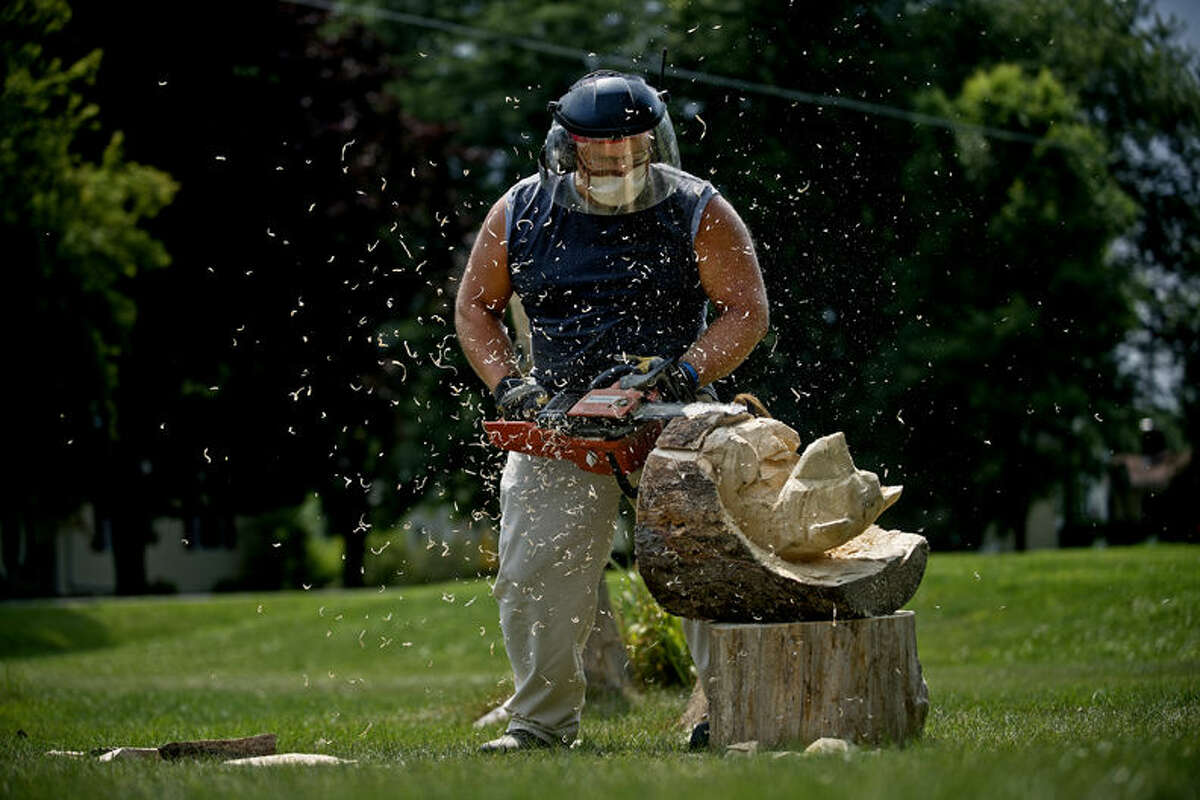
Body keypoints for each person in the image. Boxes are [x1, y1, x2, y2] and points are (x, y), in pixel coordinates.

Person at [455, 70, 769, 752]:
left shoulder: (698, 207)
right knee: (534, 569)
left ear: (654, 141)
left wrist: (684, 369)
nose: (620, 163)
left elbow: (746, 310)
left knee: (711, 562)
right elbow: (475, 309)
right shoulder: (520, 211)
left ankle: (739, 713)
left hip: (674, 410)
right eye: (604, 152)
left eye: (633, 148)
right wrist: (512, 387)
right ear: (568, 147)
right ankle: (539, 724)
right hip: (559, 412)